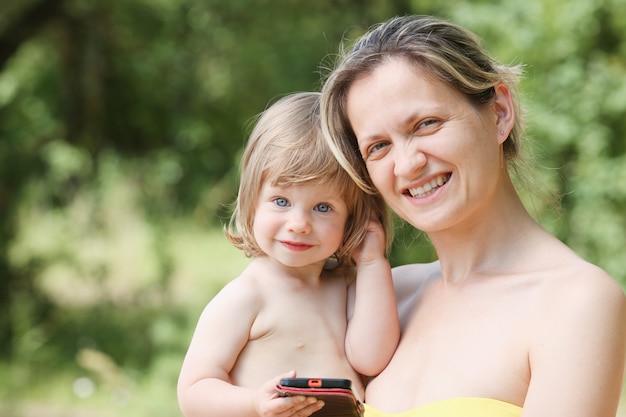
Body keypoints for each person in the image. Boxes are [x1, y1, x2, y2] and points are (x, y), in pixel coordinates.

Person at [319, 15, 626, 417]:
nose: (406, 164)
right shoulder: (385, 299)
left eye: (426, 124)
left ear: (499, 112)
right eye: (378, 147)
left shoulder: (575, 301)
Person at [177, 91, 400, 417]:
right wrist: (254, 403)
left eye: (323, 208)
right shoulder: (248, 296)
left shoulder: (349, 284)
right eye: (281, 201)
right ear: (252, 200)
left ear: (353, 217)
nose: (299, 224)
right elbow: (193, 391)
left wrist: (371, 261)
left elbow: (371, 359)